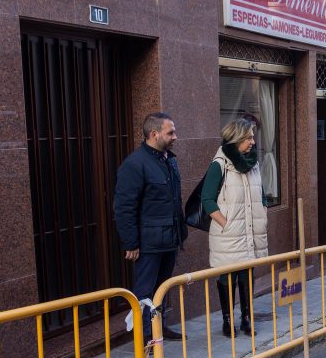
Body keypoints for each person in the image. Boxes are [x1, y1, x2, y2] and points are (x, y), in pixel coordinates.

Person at [114, 112, 187, 340]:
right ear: (154, 134)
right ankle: (144, 336)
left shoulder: (169, 160)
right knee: (144, 291)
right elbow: (124, 206)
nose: (175, 136)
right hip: (149, 243)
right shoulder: (134, 164)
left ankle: (158, 327)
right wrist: (131, 242)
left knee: (162, 290)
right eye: (170, 132)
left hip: (169, 238)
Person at [202, 118, 269, 337]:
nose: (253, 141)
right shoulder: (220, 163)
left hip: (251, 229)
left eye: (253, 136)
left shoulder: (253, 162)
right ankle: (227, 320)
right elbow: (207, 199)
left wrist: (264, 210)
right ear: (237, 138)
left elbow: (260, 192)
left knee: (246, 274)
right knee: (227, 276)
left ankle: (246, 319)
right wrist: (225, 223)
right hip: (229, 234)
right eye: (248, 137)